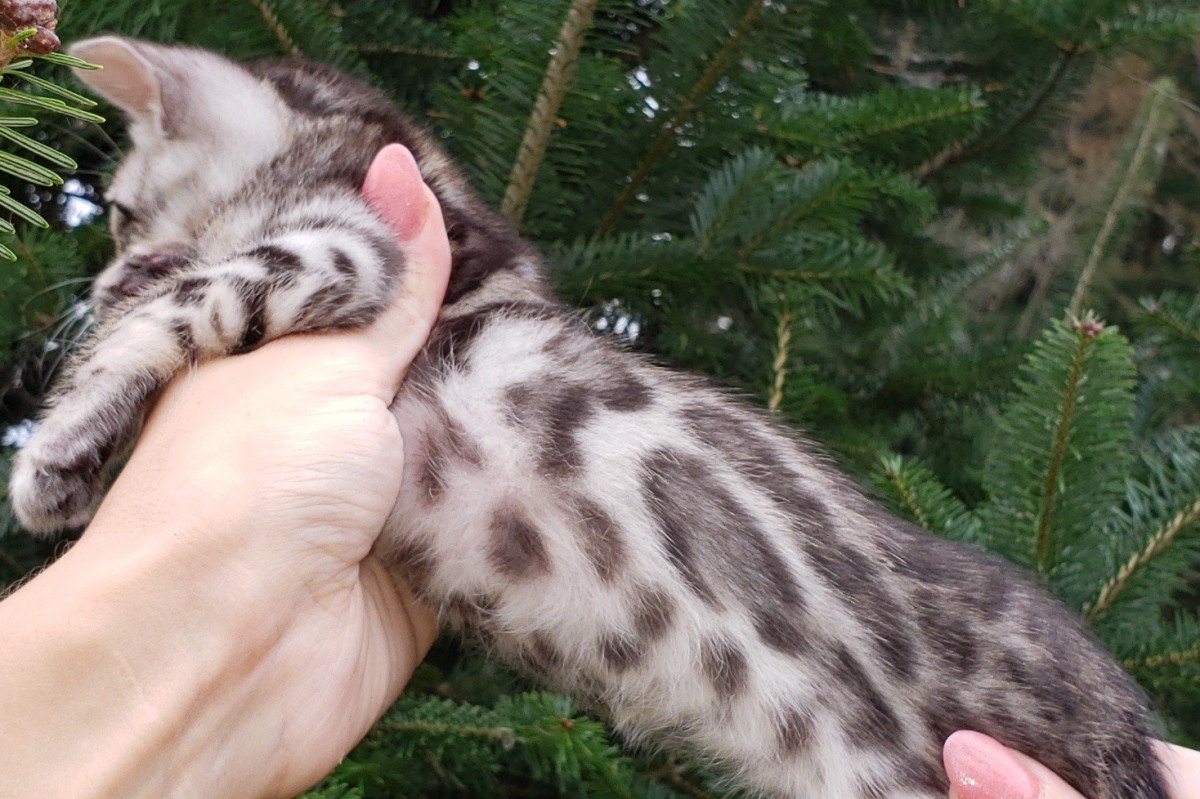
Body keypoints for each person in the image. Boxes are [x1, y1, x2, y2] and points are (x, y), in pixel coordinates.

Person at [0, 145, 1195, 799]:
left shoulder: (331, 258)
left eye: (139, 257)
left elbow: (330, 267)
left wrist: (119, 379)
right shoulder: (334, 402)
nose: (118, 283)